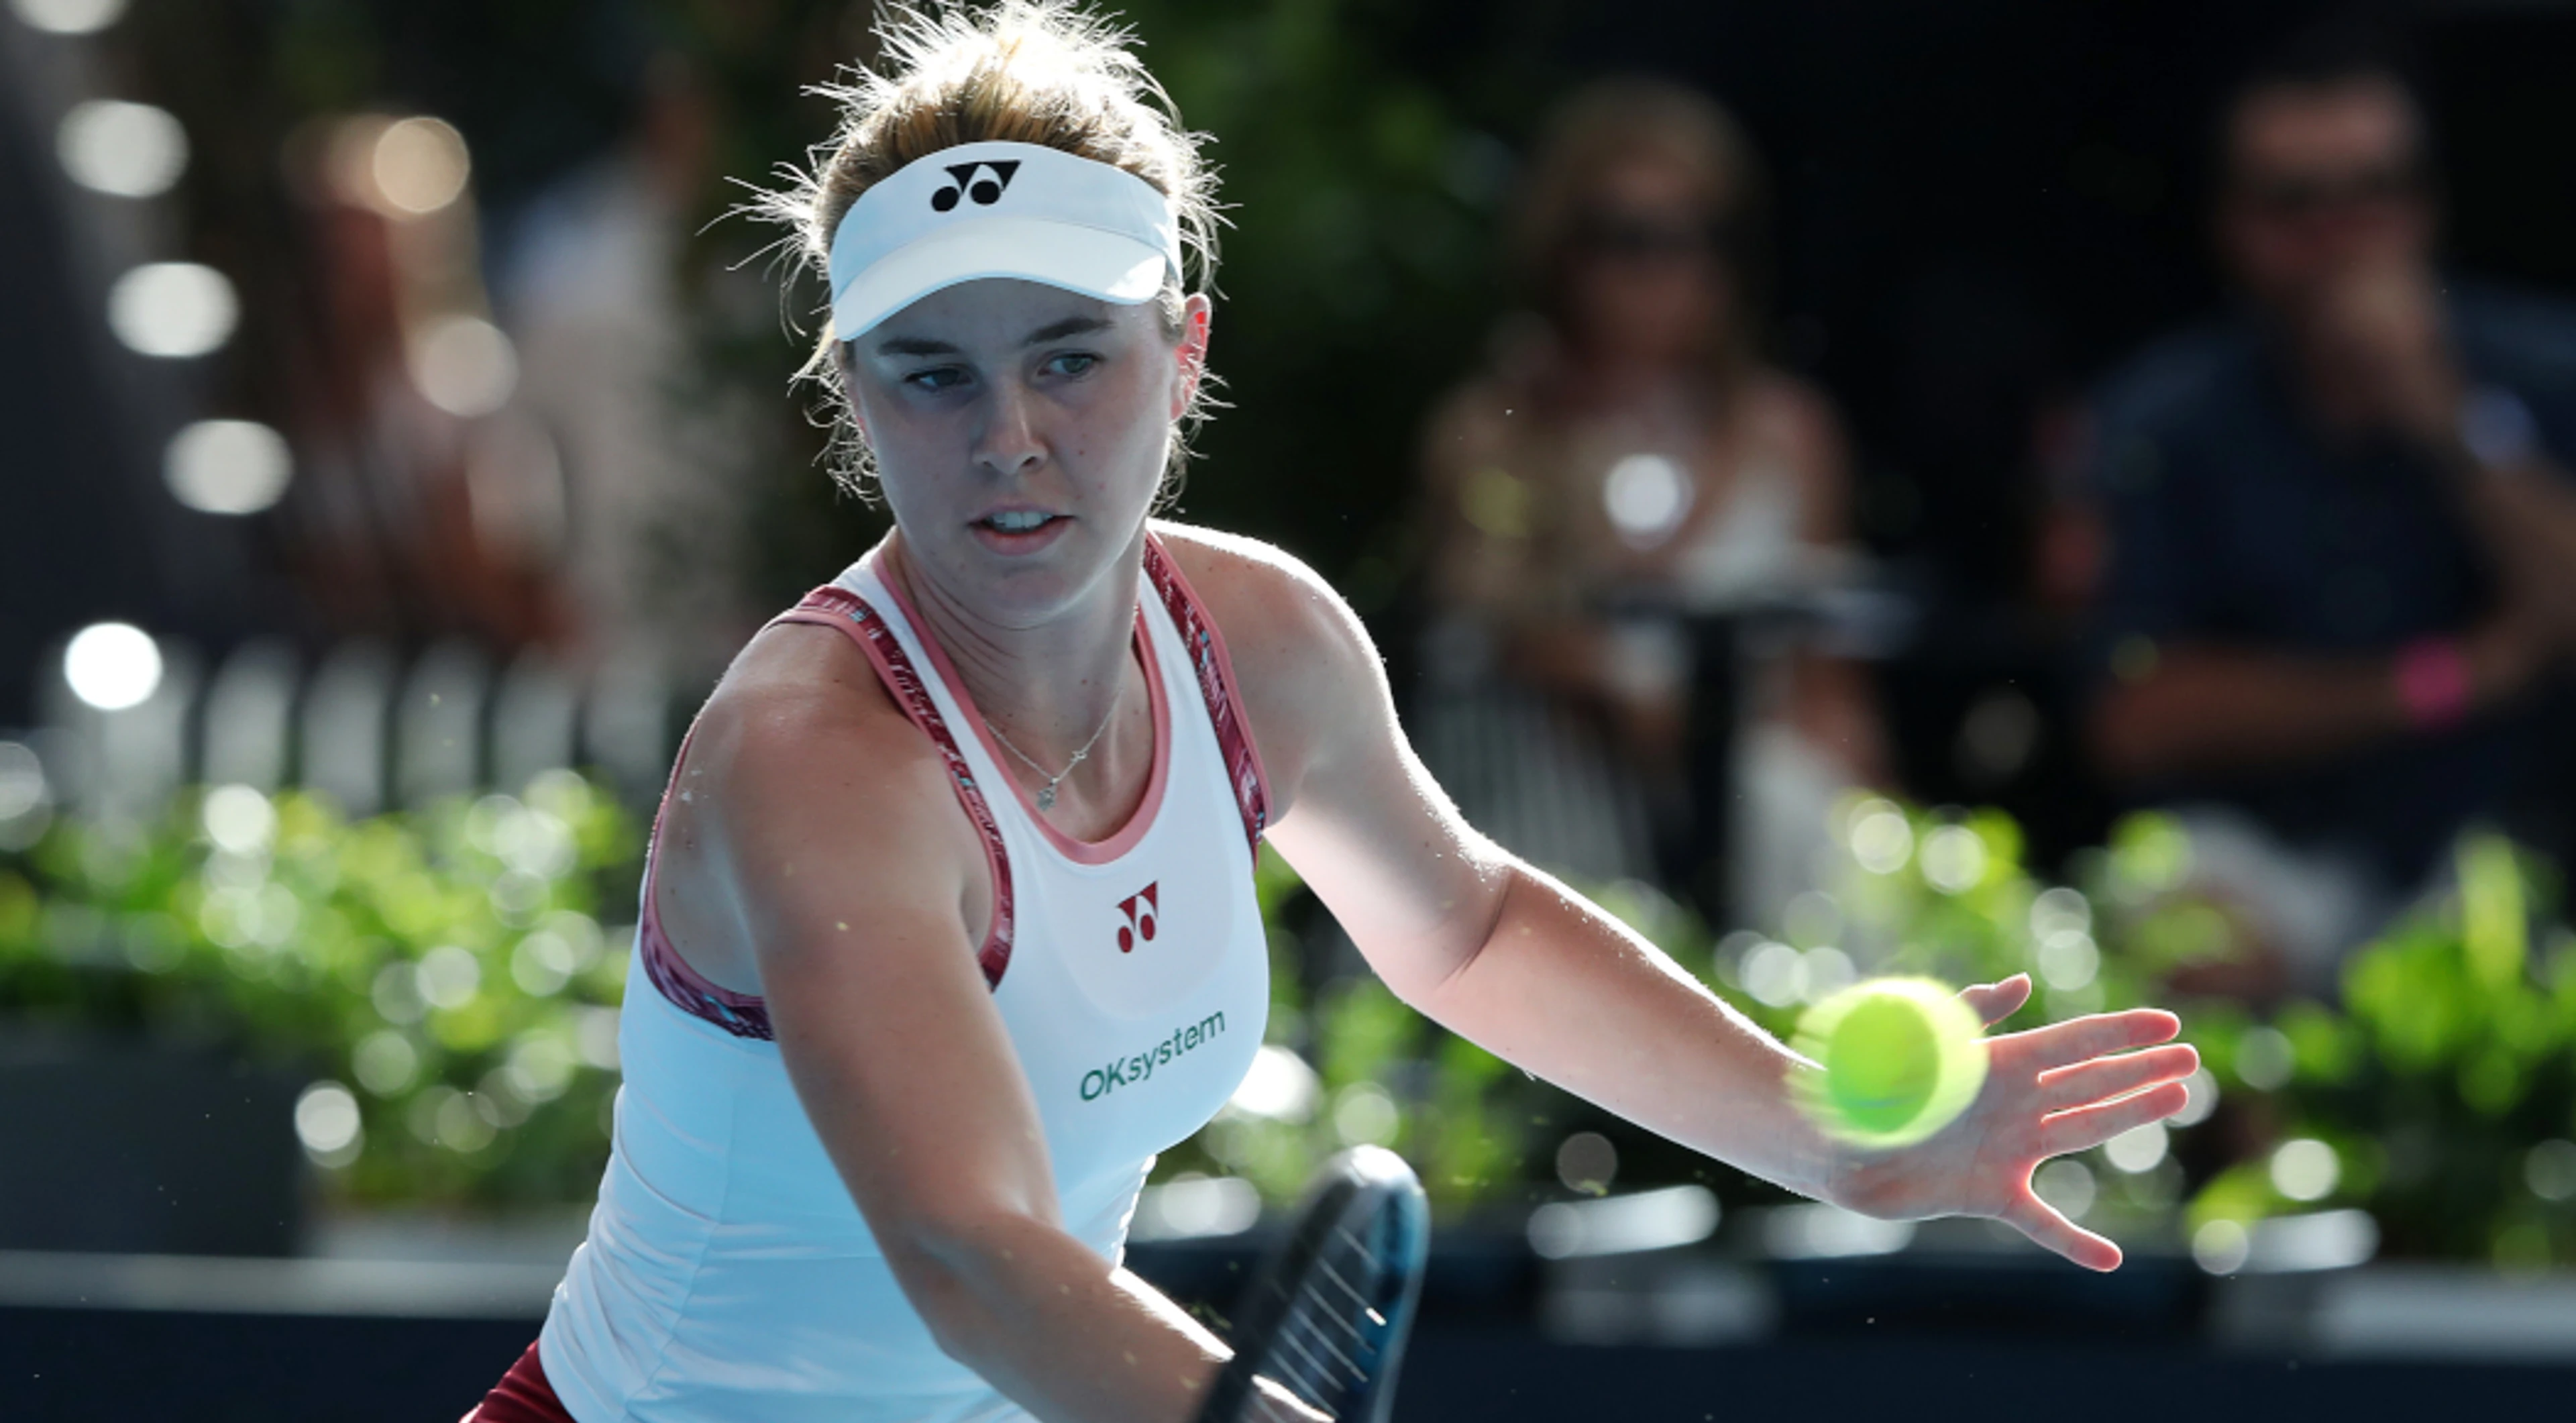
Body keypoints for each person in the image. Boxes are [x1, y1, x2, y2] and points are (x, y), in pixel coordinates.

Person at [468, 6, 2196, 1420]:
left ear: (1186, 351)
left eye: (1070, 356)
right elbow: (971, 1253)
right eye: (935, 374)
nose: (1007, 437)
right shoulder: (816, 759)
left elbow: (1463, 927)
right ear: (853, 394)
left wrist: (1819, 1131)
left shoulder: (1261, 640)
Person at [2080, 28, 2576, 994]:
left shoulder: (2546, 373)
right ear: (2232, 225)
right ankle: (2262, 1155)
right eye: (2297, 204)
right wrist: (2445, 680)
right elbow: (2133, 715)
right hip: (2266, 850)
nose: (2341, 237)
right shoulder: (2160, 419)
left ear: (2425, 205)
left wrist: (2449, 422)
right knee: (2184, 927)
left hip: (2502, 848)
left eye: (2374, 193)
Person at [1415, 78, 1886, 924]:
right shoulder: (1500, 426)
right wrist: (1684, 736)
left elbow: (1830, 681)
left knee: (1842, 850)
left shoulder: (1793, 433)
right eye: (1627, 238)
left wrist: (1872, 824)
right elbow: (1514, 634)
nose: (1664, 272)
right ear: (1562, 248)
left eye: (1700, 238)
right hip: (1556, 804)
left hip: (1763, 801)